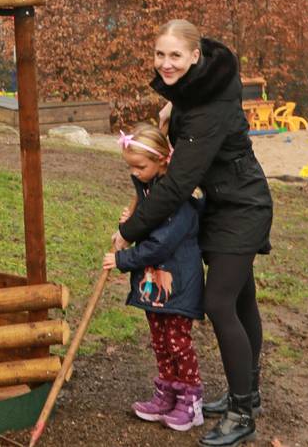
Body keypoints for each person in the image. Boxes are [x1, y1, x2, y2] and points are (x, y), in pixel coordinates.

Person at [115, 20, 273, 447]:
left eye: (175, 56)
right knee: (241, 298)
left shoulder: (208, 109)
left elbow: (176, 185)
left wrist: (130, 231)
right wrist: (171, 109)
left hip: (242, 208)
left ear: (195, 56)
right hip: (221, 206)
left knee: (220, 302)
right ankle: (250, 394)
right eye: (160, 55)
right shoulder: (195, 90)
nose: (166, 64)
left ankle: (241, 413)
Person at [103, 121, 205, 432]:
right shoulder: (149, 191)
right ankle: (167, 394)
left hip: (178, 283)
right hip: (154, 284)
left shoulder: (176, 201)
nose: (134, 172)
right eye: (130, 167)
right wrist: (131, 221)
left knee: (177, 342)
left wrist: (123, 259)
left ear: (162, 160)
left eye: (139, 167)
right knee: (160, 341)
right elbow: (146, 223)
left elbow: (160, 244)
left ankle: (191, 401)